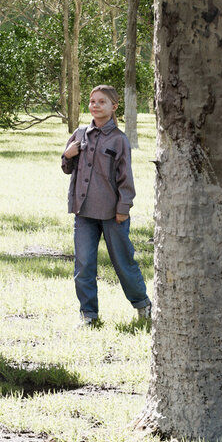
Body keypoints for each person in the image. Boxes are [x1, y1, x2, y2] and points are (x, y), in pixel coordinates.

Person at [61, 84, 150, 325]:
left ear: (114, 107)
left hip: (113, 214)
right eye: (92, 101)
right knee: (83, 265)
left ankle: (143, 305)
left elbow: (125, 178)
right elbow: (67, 168)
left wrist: (124, 208)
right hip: (84, 212)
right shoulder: (80, 134)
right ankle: (88, 315)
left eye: (102, 102)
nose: (95, 106)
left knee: (123, 262)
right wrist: (67, 155)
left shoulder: (120, 140)